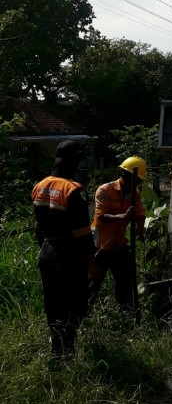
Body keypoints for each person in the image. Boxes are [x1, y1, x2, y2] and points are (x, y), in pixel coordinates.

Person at [32, 140, 98, 358]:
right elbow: (83, 235)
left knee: (53, 303)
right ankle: (67, 351)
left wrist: (47, 250)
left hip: (48, 253)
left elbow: (38, 228)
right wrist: (92, 265)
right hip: (70, 258)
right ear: (74, 162)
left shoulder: (39, 186)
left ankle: (56, 350)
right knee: (75, 305)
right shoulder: (74, 190)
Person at [90, 156, 147, 308]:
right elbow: (101, 216)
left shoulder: (135, 193)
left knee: (125, 278)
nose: (136, 183)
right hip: (100, 244)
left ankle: (125, 309)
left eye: (138, 181)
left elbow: (140, 212)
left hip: (118, 243)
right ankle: (85, 312)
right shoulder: (105, 190)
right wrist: (123, 216)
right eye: (135, 179)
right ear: (124, 175)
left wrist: (140, 226)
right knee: (94, 280)